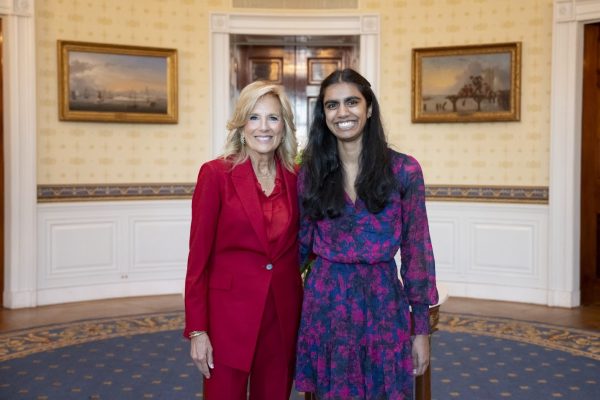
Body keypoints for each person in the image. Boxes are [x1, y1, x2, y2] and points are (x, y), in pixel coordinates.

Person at [294, 69, 439, 399]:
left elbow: (418, 251)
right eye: (332, 105)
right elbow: (297, 249)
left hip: (383, 305)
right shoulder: (311, 173)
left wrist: (421, 330)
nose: (342, 112)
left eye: (351, 102)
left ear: (369, 108)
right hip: (325, 306)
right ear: (323, 114)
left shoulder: (404, 170)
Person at [184, 81, 303, 400]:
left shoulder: (295, 178)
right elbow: (198, 260)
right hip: (227, 320)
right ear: (241, 124)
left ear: (284, 126)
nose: (263, 127)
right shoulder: (215, 175)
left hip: (281, 317)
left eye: (273, 118)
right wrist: (198, 329)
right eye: (254, 117)